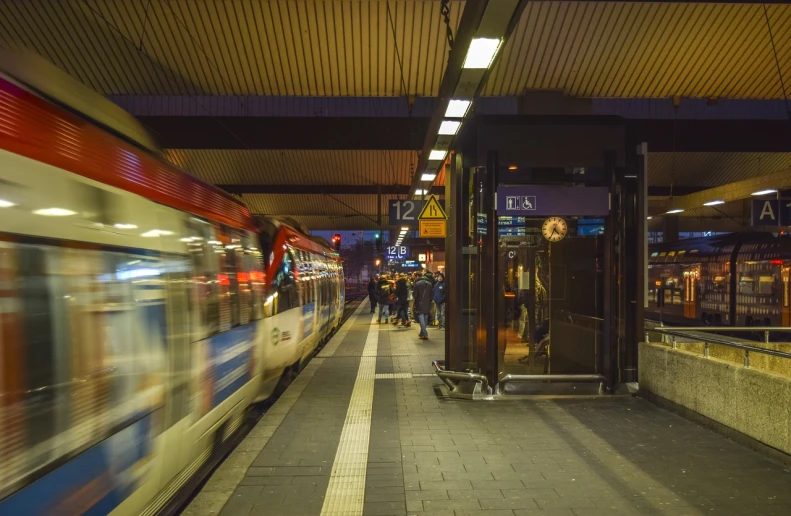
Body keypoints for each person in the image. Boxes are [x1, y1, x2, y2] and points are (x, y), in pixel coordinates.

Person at [413, 271, 434, 340]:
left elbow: (415, 295)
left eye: (414, 276)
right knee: (425, 318)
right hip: (427, 303)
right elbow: (431, 295)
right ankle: (422, 333)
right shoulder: (429, 284)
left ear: (417, 276)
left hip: (419, 303)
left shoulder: (417, 284)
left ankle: (424, 333)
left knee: (421, 317)